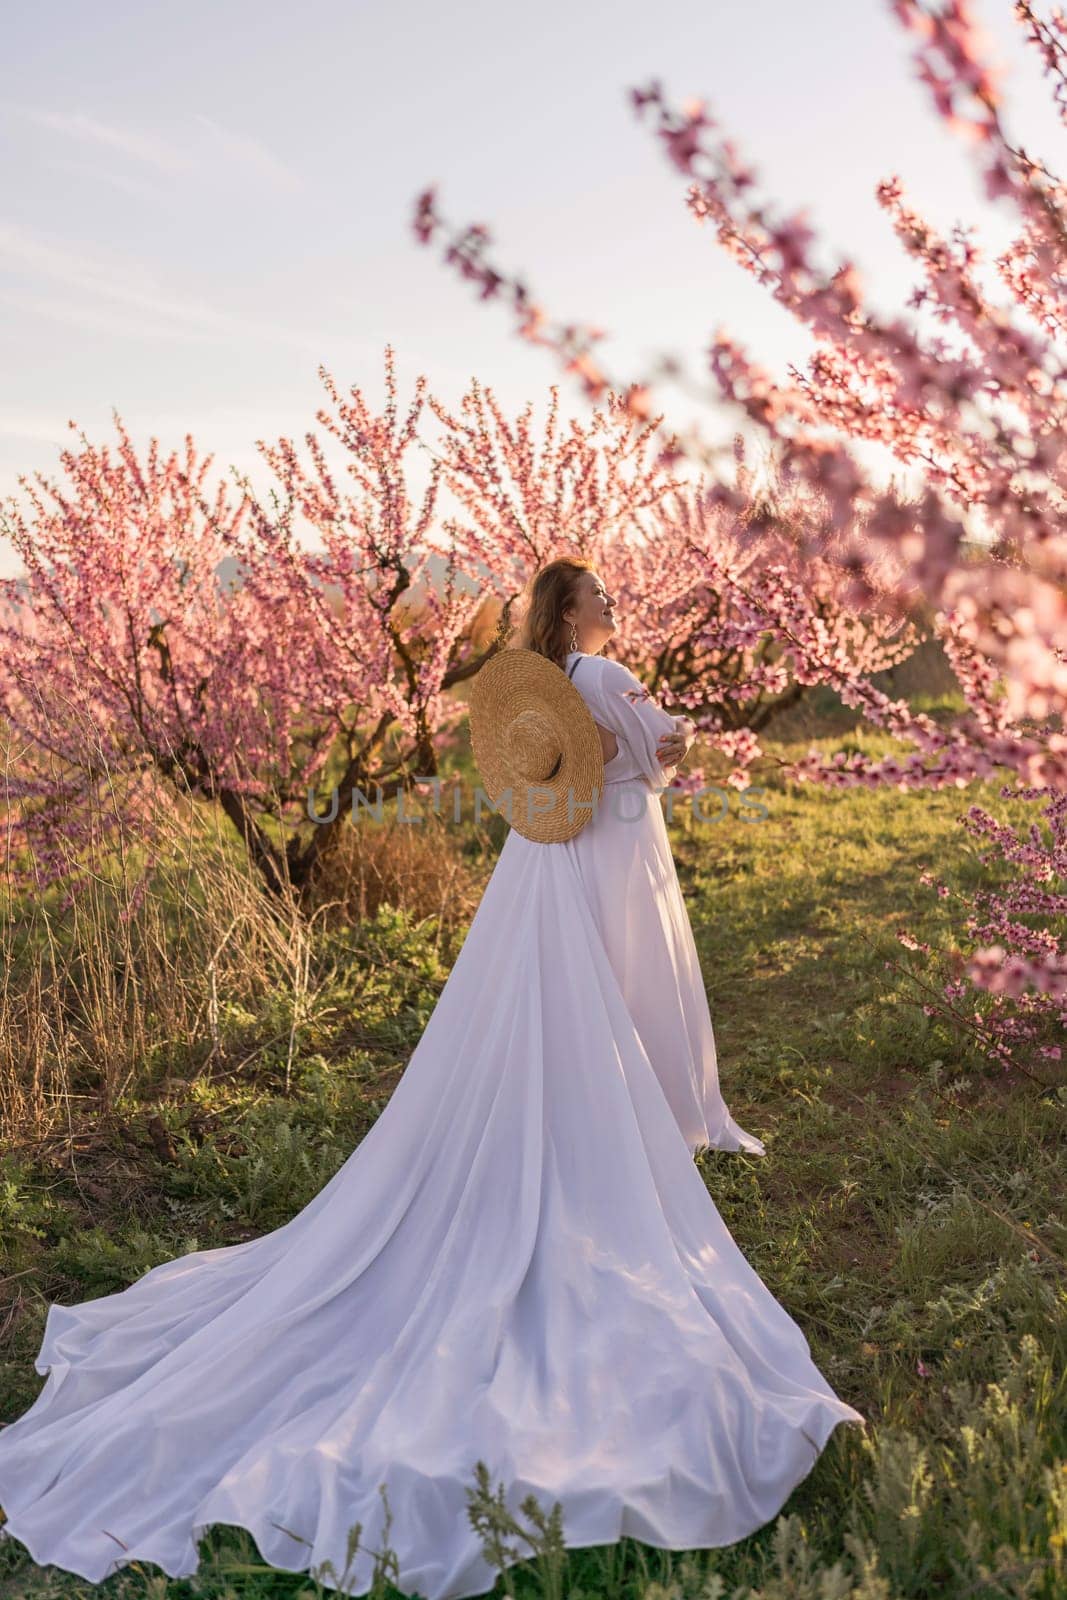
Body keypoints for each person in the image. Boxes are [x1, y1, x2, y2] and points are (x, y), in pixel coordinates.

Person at [0, 555, 865, 1600]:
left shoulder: (555, 679)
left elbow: (562, 761)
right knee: (622, 989)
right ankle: (631, 1112)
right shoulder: (603, 674)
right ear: (575, 607)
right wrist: (668, 730)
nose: (610, 604)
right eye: (599, 594)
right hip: (614, 847)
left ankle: (594, 1101)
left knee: (560, 999)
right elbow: (663, 744)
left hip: (557, 854)